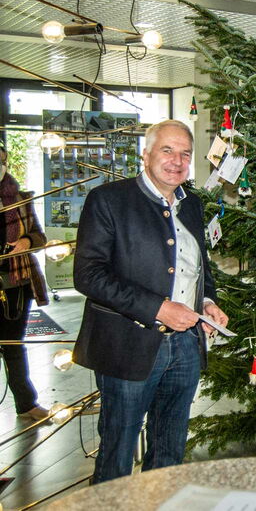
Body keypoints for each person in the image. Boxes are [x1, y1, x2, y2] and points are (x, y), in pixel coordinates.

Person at [73, 119, 229, 484]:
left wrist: (206, 300)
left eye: (185, 154)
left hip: (186, 347)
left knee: (170, 450)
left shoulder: (192, 205)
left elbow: (197, 266)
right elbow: (89, 275)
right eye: (167, 150)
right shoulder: (109, 200)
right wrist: (159, 308)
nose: (177, 161)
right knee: (117, 453)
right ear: (145, 155)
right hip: (128, 345)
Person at [0, 145, 50, 421]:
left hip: (16, 284)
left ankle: (26, 403)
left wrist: (26, 242)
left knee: (13, 344)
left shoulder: (21, 199)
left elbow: (40, 238)